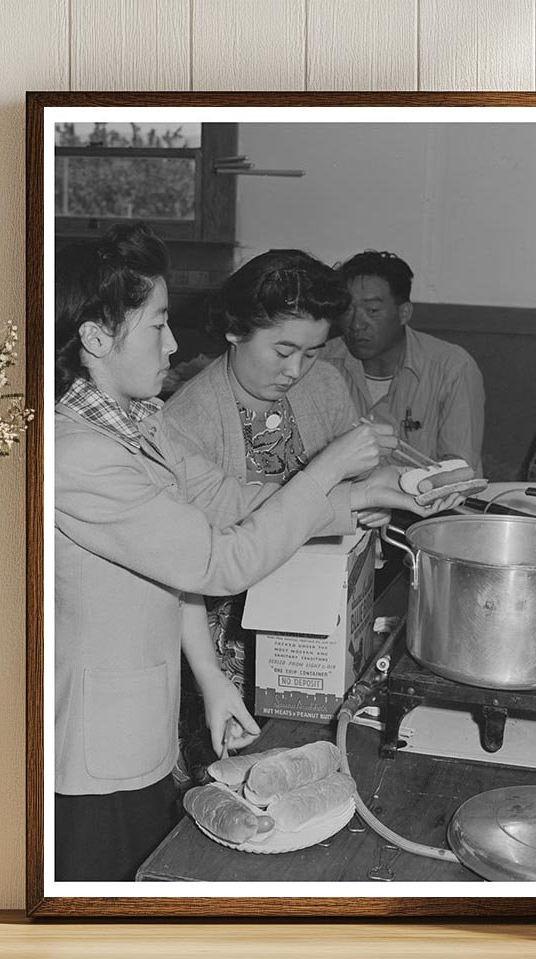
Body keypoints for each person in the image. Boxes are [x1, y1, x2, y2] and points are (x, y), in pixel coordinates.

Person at [54, 224, 458, 881]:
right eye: (158, 325)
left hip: (140, 719)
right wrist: (324, 474)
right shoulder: (76, 457)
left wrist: (368, 491)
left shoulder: (139, 421)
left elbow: (222, 502)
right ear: (97, 337)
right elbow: (216, 562)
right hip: (93, 744)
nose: (176, 342)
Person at [163, 250, 376, 759]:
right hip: (227, 646)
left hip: (320, 623)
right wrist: (342, 487)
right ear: (235, 331)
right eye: (282, 351)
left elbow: (351, 489)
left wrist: (380, 495)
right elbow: (221, 532)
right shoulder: (185, 421)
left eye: (312, 352)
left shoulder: (323, 384)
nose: (296, 370)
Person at [324, 250, 486, 476]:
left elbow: (457, 472)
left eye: (372, 310)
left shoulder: (452, 368)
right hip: (347, 506)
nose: (357, 324)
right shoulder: (322, 365)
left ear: (404, 313)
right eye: (347, 310)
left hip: (432, 508)